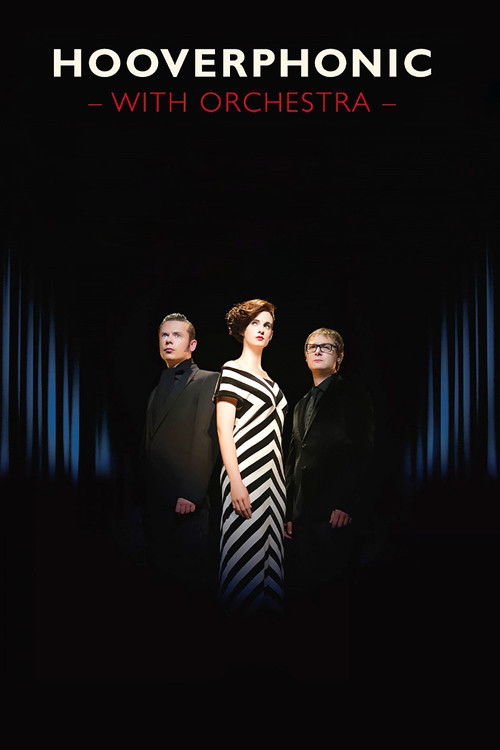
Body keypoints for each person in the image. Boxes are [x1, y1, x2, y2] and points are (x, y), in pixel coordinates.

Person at [285, 327, 374, 592]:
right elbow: (294, 458)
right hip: (301, 517)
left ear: (340, 356)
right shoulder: (301, 404)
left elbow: (362, 450)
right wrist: (289, 511)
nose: (318, 351)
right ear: (305, 355)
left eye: (327, 347)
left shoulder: (352, 395)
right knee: (303, 591)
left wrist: (346, 502)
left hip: (333, 513)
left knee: (333, 590)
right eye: (312, 347)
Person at [213, 299, 287, 616]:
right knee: (242, 562)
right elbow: (223, 429)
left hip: (275, 485)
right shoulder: (232, 370)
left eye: (267, 325)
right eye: (255, 323)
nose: (261, 329)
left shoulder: (272, 381)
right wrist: (236, 482)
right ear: (243, 329)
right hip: (244, 476)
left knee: (271, 571)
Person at [142, 313, 220, 590]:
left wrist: (191, 492)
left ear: (192, 344)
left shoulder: (208, 380)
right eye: (164, 335)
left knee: (188, 581)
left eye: (177, 335)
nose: (169, 340)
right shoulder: (156, 389)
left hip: (186, 502)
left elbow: (205, 437)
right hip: (155, 502)